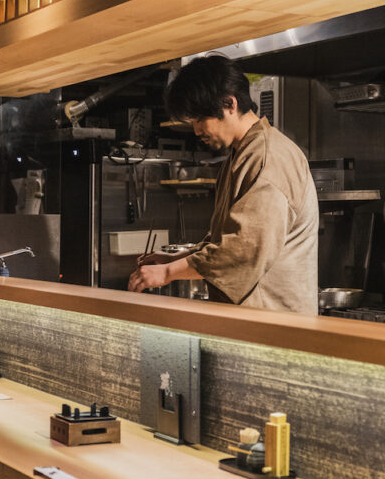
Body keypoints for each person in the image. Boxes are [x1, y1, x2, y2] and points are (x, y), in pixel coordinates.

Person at [127, 56, 318, 314]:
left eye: (199, 119)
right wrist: (177, 259)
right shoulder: (243, 153)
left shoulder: (267, 156)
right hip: (254, 324)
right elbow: (225, 239)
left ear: (229, 104)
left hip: (274, 329)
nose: (196, 131)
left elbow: (242, 250)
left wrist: (168, 272)